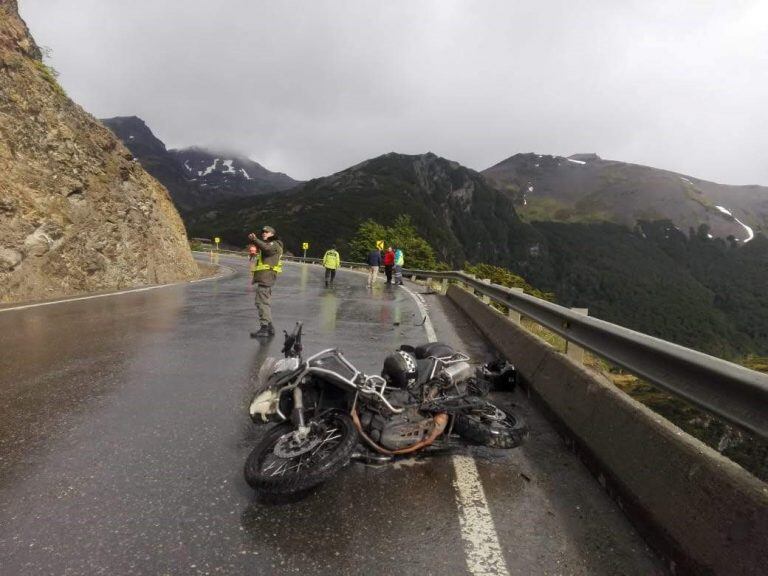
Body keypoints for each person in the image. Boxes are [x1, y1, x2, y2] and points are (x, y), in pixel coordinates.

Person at [247, 226, 283, 338]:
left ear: (272, 234)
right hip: (266, 277)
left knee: (261, 303)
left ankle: (264, 328)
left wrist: (255, 240)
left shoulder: (274, 244)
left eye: (266, 232)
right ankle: (270, 327)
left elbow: (267, 249)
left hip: (267, 278)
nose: (264, 233)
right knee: (264, 302)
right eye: (262, 232)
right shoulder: (270, 244)